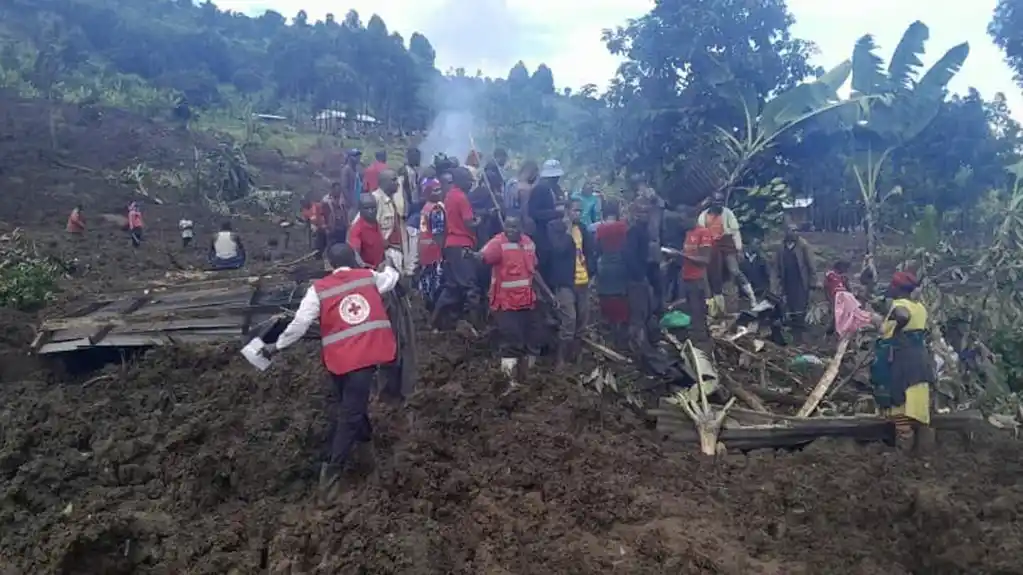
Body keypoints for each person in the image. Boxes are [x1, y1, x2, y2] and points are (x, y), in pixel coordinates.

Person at [261, 243, 400, 487]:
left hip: (339, 361)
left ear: (328, 264)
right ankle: (337, 472)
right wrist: (390, 265)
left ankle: (343, 468)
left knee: (350, 410)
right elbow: (390, 279)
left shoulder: (318, 289)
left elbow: (299, 323)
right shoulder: (368, 277)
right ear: (354, 258)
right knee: (352, 412)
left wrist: (278, 345)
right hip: (365, 356)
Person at [872, 271, 935, 450]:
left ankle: (903, 455)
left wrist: (897, 328)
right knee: (918, 405)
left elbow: (902, 316)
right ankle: (925, 452)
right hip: (920, 360)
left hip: (902, 361)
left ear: (897, 288)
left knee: (900, 405)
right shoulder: (920, 307)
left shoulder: (898, 305)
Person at [479, 216, 538, 388]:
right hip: (504, 303)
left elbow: (534, 270)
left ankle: (523, 378)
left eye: (514, 227)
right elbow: (483, 257)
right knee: (512, 341)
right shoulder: (498, 243)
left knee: (527, 340)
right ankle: (508, 381)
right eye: (508, 226)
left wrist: (547, 294)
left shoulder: (528, 243)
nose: (510, 230)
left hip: (525, 301)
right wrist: (473, 256)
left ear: (521, 227)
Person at [433, 167, 478, 331]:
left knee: (452, 286)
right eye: (469, 180)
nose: (471, 183)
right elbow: (469, 223)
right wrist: (482, 219)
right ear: (461, 180)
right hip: (462, 244)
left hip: (451, 245)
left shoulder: (450, 195)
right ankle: (473, 324)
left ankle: (438, 323)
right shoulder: (461, 197)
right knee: (470, 286)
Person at [698, 191, 757, 312]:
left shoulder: (728, 213)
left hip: (727, 244)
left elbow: (735, 232)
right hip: (712, 247)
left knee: (734, 270)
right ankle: (720, 309)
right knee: (714, 276)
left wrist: (739, 249)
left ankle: (752, 298)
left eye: (721, 202)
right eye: (716, 202)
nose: (719, 204)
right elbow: (701, 234)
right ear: (712, 203)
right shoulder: (703, 216)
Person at [672, 209, 713, 349]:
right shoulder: (688, 233)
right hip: (687, 276)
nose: (681, 223)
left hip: (697, 278)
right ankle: (695, 337)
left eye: (683, 220)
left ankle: (702, 341)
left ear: (692, 218)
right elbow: (688, 254)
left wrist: (683, 256)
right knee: (690, 309)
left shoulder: (704, 233)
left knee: (698, 310)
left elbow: (705, 259)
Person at [592, 200, 630, 346]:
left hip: (605, 264)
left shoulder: (601, 229)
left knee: (606, 296)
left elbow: (597, 247)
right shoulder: (623, 227)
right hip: (620, 264)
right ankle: (621, 335)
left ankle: (610, 330)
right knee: (620, 297)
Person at [774, 225, 816, 344]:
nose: (794, 233)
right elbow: (777, 267)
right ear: (786, 232)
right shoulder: (781, 247)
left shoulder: (803, 246)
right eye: (791, 231)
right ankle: (792, 334)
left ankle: (800, 336)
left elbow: (811, 266)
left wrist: (813, 284)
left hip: (800, 282)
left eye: (796, 231)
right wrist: (776, 285)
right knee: (788, 307)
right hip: (787, 282)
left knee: (800, 308)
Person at [566, 198, 596, 356]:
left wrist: (591, 273)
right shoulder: (560, 229)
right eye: (574, 210)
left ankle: (576, 351)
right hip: (568, 281)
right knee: (569, 318)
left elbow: (590, 252)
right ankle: (565, 353)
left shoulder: (583, 229)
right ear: (567, 211)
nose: (577, 213)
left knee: (583, 316)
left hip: (583, 279)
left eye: (579, 210)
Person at [369, 168, 412, 276]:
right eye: (393, 180)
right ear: (384, 182)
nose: (397, 183)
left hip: (395, 250)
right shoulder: (374, 200)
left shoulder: (393, 198)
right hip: (383, 253)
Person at [528, 159, 564, 280]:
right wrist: (555, 213)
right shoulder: (540, 189)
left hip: (554, 234)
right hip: (543, 235)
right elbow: (533, 212)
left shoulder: (555, 189)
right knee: (544, 266)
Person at [418, 179, 446, 311]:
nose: (439, 192)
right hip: (434, 248)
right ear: (429, 193)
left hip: (424, 247)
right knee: (436, 279)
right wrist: (442, 251)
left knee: (426, 278)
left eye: (440, 189)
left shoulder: (426, 207)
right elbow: (438, 233)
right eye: (435, 190)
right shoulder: (436, 209)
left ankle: (426, 306)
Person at [348, 194, 386, 268]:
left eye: (373, 208)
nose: (371, 211)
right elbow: (356, 257)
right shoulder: (357, 229)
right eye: (367, 208)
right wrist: (369, 268)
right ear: (360, 209)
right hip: (368, 271)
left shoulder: (376, 223)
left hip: (381, 267)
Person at [320, 182, 349, 249]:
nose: (338, 191)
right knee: (331, 245)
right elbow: (321, 214)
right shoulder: (326, 200)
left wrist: (347, 223)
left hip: (342, 226)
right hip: (331, 226)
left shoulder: (342, 198)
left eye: (339, 189)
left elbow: (345, 211)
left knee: (341, 244)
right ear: (332, 189)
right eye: (336, 189)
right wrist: (324, 225)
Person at [339, 149, 363, 221]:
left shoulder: (355, 170)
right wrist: (351, 201)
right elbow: (344, 187)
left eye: (358, 156)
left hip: (356, 202)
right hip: (349, 203)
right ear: (349, 158)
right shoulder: (346, 169)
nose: (358, 158)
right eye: (355, 156)